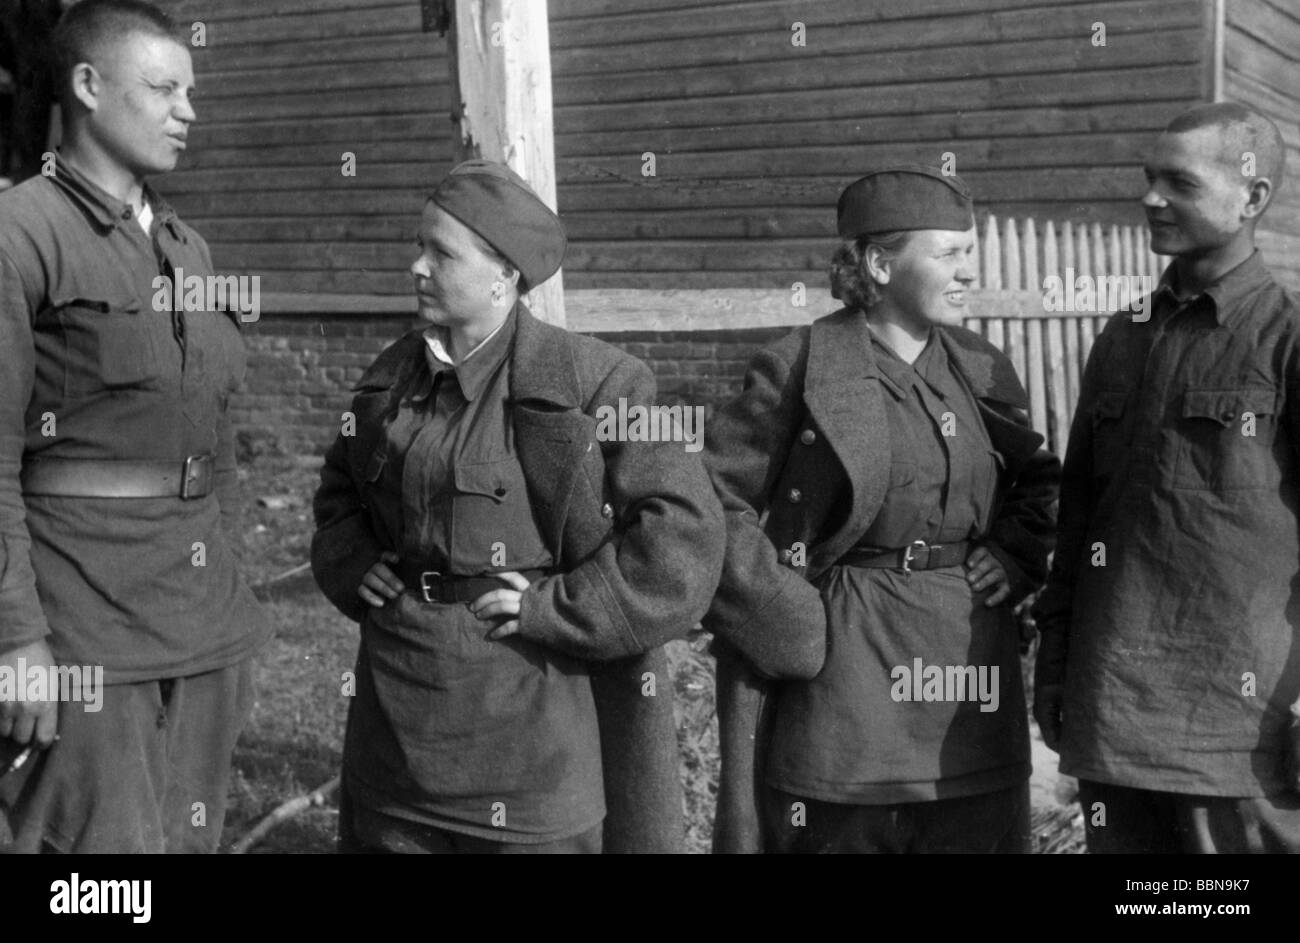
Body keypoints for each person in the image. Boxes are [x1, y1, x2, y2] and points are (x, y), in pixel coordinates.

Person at [311, 159, 724, 854]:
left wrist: (561, 607)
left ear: (504, 274)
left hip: (537, 733)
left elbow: (684, 535)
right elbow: (338, 490)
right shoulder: (390, 380)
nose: (417, 266)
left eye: (441, 253)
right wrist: (350, 557)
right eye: (418, 245)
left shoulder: (602, 384)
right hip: (399, 725)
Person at [704, 165, 1060, 853]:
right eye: (949, 254)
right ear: (878, 263)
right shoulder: (800, 366)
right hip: (846, 675)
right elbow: (713, 501)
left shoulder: (980, 367)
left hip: (967, 674)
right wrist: (784, 612)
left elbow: (1035, 479)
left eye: (969, 253)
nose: (968, 271)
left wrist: (1014, 553)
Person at [0, 0, 270, 853]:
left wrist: (230, 590)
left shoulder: (190, 250)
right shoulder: (20, 234)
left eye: (189, 92)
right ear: (87, 85)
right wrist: (15, 637)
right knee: (96, 870)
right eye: (163, 89)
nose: (187, 111)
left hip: (202, 623)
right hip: (82, 621)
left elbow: (214, 442)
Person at [1034, 102, 1300, 853]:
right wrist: (1056, 664)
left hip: (1240, 729)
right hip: (1114, 712)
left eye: (1180, 182)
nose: (1151, 197)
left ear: (1251, 197)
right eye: (1149, 178)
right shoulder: (1122, 336)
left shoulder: (1286, 340)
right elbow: (1079, 521)